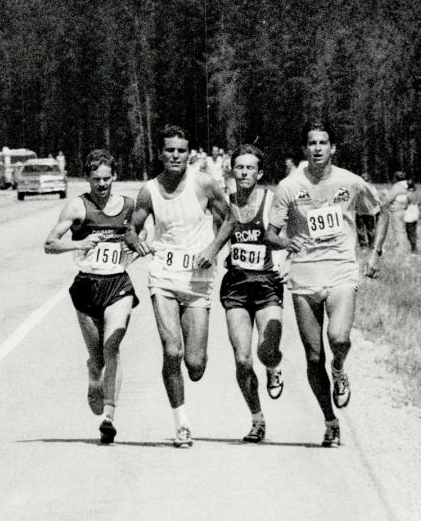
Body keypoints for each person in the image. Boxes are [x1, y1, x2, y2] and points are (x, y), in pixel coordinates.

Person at [266, 121, 387, 448]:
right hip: (304, 275)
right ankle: (330, 421)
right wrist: (284, 243)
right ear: (304, 149)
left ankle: (340, 368)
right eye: (311, 143)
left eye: (323, 143)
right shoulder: (289, 186)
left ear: (333, 147)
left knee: (339, 338)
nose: (317, 148)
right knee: (313, 356)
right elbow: (270, 232)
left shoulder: (350, 182)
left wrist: (374, 254)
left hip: (341, 270)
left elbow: (380, 212)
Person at [125, 125, 234, 448]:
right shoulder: (149, 190)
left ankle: (192, 368)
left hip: (198, 280)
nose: (175, 156)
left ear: (189, 154)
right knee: (172, 350)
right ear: (160, 153)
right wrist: (138, 244)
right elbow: (131, 228)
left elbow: (229, 218)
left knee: (195, 365)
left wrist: (212, 250)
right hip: (163, 277)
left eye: (180, 150)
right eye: (169, 150)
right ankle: (182, 422)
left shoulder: (202, 183)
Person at [44, 149, 138, 444]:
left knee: (113, 346)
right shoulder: (77, 207)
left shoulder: (128, 206)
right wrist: (80, 243)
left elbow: (138, 236)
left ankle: (109, 417)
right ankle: (93, 374)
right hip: (87, 286)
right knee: (98, 359)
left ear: (115, 177)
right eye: (96, 179)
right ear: (88, 178)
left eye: (107, 179)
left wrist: (135, 249)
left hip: (118, 285)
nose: (101, 184)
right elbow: (49, 244)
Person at [220, 144, 284, 443]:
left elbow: (293, 233)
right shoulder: (226, 202)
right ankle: (257, 419)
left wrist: (288, 262)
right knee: (243, 360)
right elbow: (218, 237)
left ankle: (272, 367)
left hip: (267, 284)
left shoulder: (272, 200)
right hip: (235, 287)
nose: (244, 172)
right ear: (232, 170)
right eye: (239, 167)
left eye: (250, 168)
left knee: (266, 350)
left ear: (260, 173)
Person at [380, 171, 410, 253]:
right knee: (405, 230)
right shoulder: (408, 185)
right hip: (406, 210)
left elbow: (388, 199)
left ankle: (400, 250)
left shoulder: (397, 187)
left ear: (396, 178)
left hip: (397, 211)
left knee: (398, 230)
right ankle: (406, 247)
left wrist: (385, 193)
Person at [356, 171, 379, 249]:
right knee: (371, 229)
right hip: (370, 211)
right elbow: (376, 200)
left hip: (360, 211)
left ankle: (363, 246)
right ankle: (371, 245)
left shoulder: (358, 188)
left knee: (360, 230)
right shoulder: (372, 188)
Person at [404, 179, 421, 252]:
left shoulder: (407, 194)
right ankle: (414, 246)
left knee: (409, 232)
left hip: (409, 214)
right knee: (413, 230)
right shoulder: (416, 193)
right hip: (416, 212)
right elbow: (419, 202)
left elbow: (405, 205)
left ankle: (414, 248)